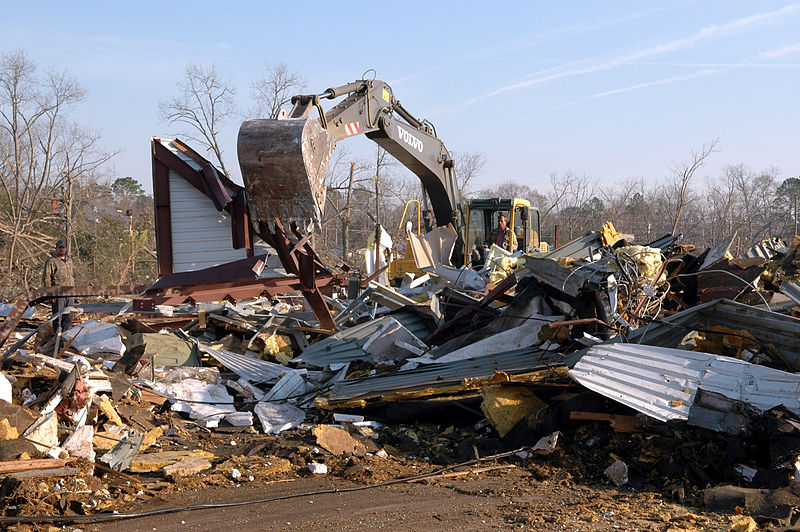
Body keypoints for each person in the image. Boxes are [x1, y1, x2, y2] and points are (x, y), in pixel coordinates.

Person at [42, 239, 76, 334]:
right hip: (58, 293)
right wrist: (49, 294)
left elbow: (73, 275)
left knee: (69, 316)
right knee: (58, 317)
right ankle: (56, 337)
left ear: (66, 249)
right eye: (59, 248)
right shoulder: (51, 261)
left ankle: (66, 337)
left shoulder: (69, 260)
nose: (61, 250)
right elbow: (46, 278)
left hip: (70, 292)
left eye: (63, 248)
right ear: (56, 249)